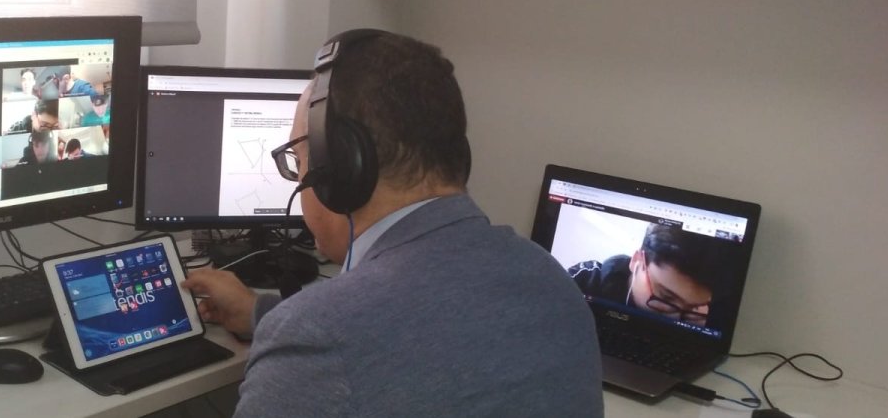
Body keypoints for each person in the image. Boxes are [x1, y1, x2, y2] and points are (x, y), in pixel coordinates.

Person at [181, 30, 603, 417]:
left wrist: (290, 329)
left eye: (297, 159)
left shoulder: (318, 337)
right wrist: (262, 313)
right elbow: (430, 334)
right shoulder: (551, 280)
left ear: (340, 169)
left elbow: (362, 337)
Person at [567, 223, 719, 325]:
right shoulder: (579, 283)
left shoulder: (711, 313)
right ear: (636, 260)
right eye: (666, 297)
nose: (675, 318)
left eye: (693, 308)